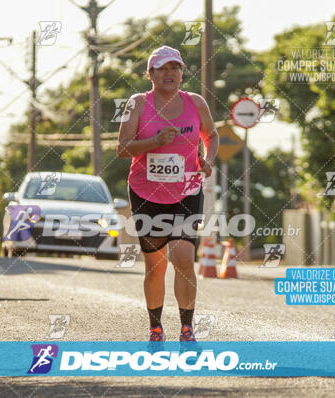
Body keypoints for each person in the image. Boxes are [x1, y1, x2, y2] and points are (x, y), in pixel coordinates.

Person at [117, 46, 218, 342]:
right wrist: (154, 141)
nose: (170, 73)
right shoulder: (137, 104)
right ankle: (155, 326)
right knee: (155, 265)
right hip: (146, 192)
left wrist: (207, 159)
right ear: (151, 74)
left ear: (182, 73)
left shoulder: (196, 103)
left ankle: (187, 326)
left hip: (186, 189)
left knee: (184, 257)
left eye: (176, 68)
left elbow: (211, 135)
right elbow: (122, 148)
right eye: (163, 68)